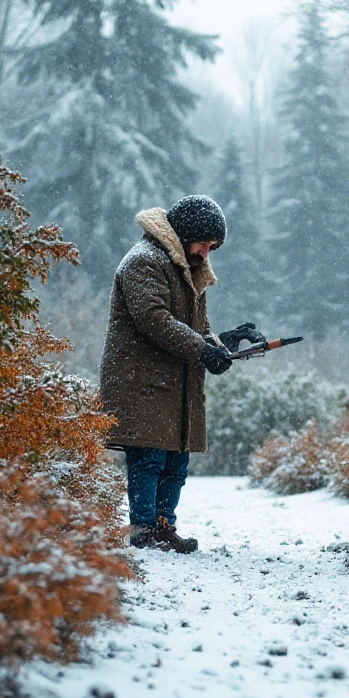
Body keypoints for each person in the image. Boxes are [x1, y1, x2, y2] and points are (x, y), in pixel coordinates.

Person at [99, 195, 263, 553]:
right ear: (187, 234)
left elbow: (195, 329)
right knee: (150, 459)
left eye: (212, 247)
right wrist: (203, 350)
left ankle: (163, 529)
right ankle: (144, 532)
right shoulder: (143, 262)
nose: (207, 253)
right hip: (142, 385)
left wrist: (223, 341)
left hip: (173, 386)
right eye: (204, 244)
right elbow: (153, 319)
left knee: (175, 461)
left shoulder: (185, 269)